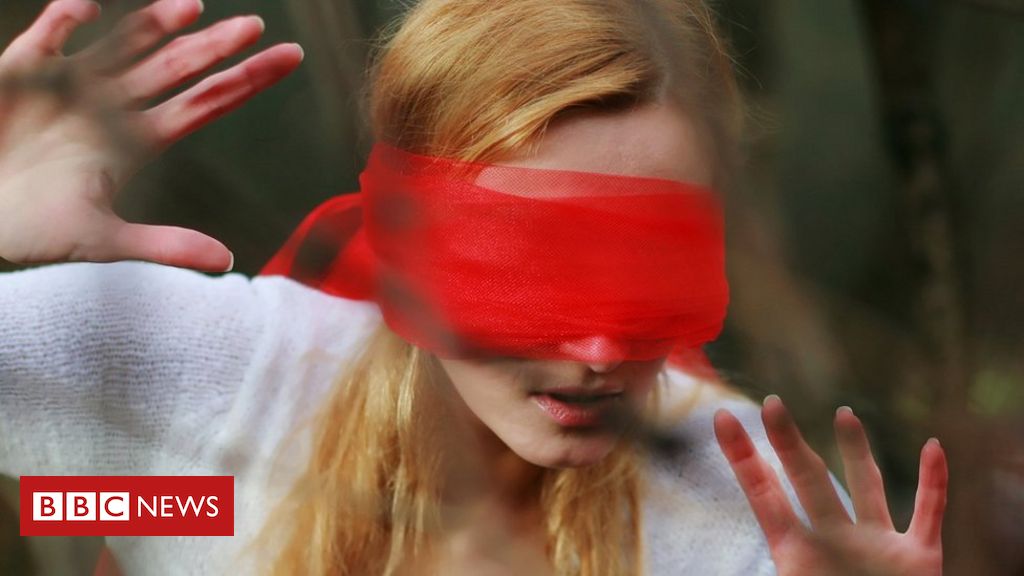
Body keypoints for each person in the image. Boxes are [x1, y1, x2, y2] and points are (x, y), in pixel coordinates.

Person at [0, 1, 948, 575]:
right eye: (532, 269)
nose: (599, 352)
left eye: (651, 268)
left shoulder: (755, 510)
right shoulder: (204, 377)